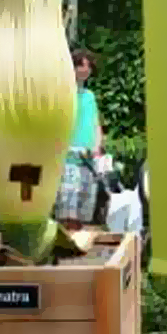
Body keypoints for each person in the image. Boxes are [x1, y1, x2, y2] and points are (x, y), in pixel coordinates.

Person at [54, 48, 105, 231]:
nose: (87, 69)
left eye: (89, 66)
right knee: (68, 211)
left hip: (89, 162)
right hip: (69, 161)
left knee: (85, 210)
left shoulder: (90, 96)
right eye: (83, 65)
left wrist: (98, 145)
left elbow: (95, 124)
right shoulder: (61, 95)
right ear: (72, 68)